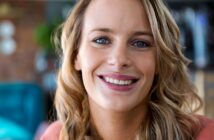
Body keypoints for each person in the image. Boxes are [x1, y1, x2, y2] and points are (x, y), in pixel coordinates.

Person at [41, 0, 214, 139]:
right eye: (101, 40)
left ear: (160, 61)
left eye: (140, 43)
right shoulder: (57, 136)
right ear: (76, 56)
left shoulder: (205, 134)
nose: (119, 60)